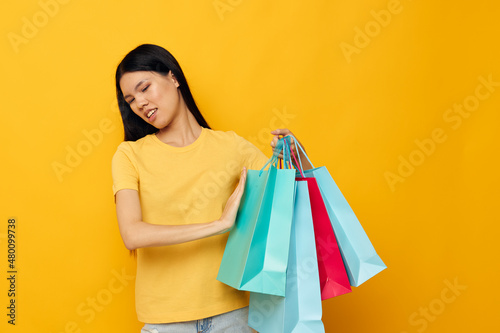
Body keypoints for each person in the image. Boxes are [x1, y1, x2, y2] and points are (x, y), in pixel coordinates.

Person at [112, 44, 312, 332]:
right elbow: (132, 234)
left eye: (145, 88)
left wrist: (296, 156)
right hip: (165, 321)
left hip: (234, 314)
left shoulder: (231, 147)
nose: (140, 103)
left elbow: (287, 203)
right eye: (131, 99)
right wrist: (218, 224)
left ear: (173, 77)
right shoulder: (129, 155)